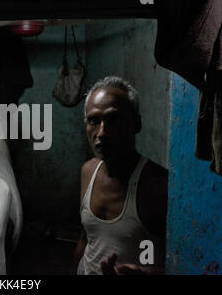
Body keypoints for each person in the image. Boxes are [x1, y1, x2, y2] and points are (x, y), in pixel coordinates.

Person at [72, 76, 168, 275]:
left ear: (137, 124)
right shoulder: (88, 171)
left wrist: (144, 273)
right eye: (93, 121)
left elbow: (180, 259)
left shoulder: (157, 185)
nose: (102, 132)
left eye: (114, 119)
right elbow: (86, 237)